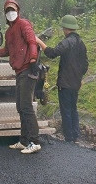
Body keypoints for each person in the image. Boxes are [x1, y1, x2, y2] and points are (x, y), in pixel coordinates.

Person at [0, 0, 42, 154]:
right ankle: (24, 140)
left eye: (12, 10)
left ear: (18, 11)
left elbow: (32, 41)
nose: (10, 13)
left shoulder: (24, 25)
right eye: (7, 10)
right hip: (19, 71)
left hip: (28, 69)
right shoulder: (9, 32)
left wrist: (33, 59)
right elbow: (7, 50)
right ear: (5, 14)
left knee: (26, 107)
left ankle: (34, 141)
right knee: (20, 107)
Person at [36, 14, 88, 143]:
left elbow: (52, 53)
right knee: (73, 108)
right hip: (75, 83)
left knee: (65, 109)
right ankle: (76, 136)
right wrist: (79, 78)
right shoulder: (81, 44)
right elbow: (85, 65)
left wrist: (39, 42)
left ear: (65, 28)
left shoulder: (67, 42)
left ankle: (68, 137)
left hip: (65, 83)